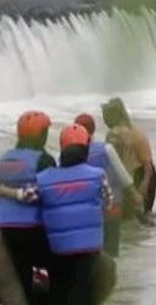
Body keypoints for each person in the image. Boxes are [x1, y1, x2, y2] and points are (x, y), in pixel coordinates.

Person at [36, 124, 113, 305]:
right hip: (89, 247)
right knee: (84, 288)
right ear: (85, 148)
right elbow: (109, 203)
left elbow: (30, 197)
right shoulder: (98, 175)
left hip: (58, 248)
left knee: (60, 287)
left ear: (62, 148)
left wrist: (5, 191)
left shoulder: (44, 177)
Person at [0, 111, 56, 304]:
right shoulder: (44, 160)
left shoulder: (4, 158)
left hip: (4, 229)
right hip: (33, 228)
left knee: (12, 275)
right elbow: (50, 193)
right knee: (40, 271)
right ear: (41, 134)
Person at [74, 113, 145, 257]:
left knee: (90, 252)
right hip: (111, 208)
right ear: (93, 129)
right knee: (111, 253)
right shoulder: (106, 149)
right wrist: (136, 196)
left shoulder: (69, 152)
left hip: (86, 210)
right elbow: (123, 176)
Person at [101, 98, 156, 213]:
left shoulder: (134, 134)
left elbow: (148, 163)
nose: (105, 121)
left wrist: (144, 183)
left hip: (143, 173)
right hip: (130, 175)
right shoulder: (116, 133)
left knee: (142, 213)